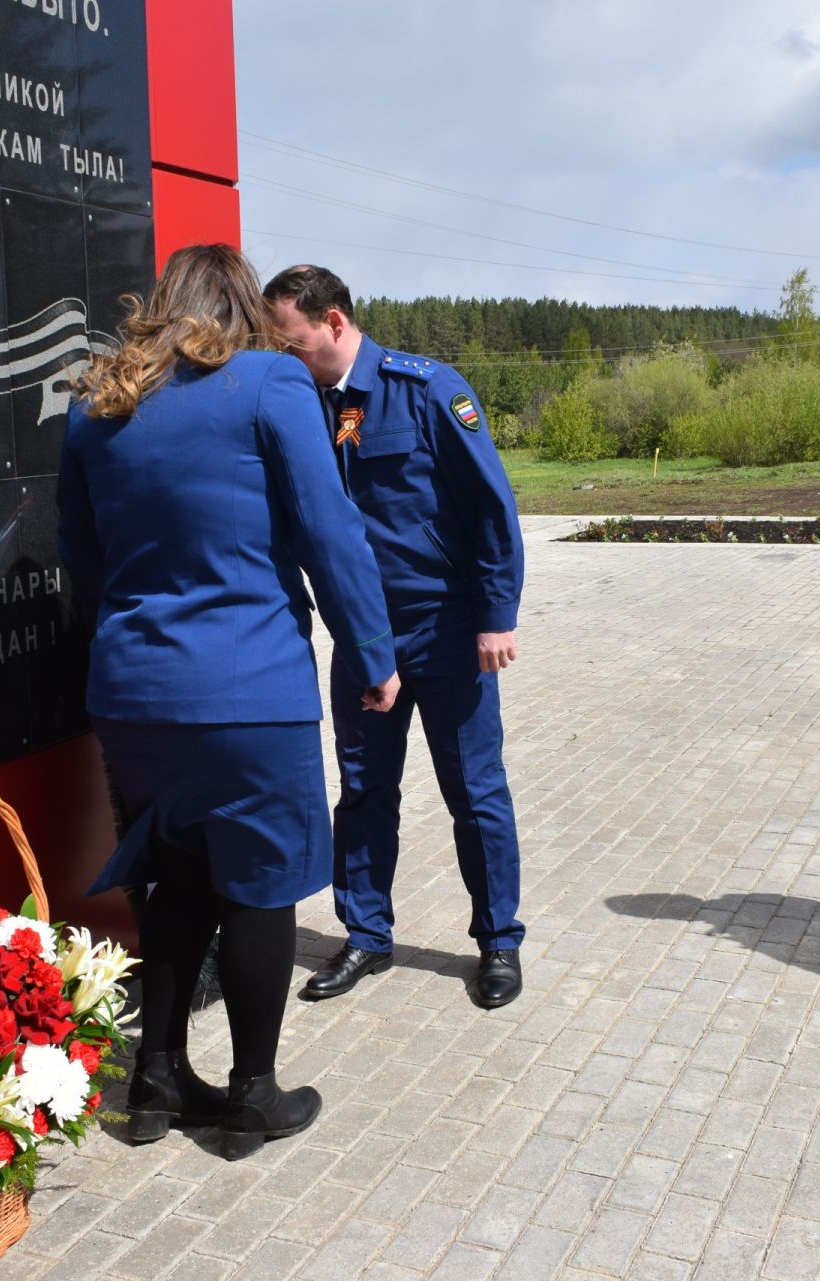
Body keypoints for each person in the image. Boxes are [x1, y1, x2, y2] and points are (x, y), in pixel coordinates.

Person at [57, 244, 400, 1159]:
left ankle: (158, 1079)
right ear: (244, 305)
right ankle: (253, 1095)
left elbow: (82, 562)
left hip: (132, 693)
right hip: (248, 690)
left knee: (172, 881)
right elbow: (330, 533)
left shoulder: (97, 402)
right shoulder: (268, 385)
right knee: (260, 887)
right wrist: (373, 653)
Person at [262, 265, 528, 1010]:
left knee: (474, 792)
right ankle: (367, 934)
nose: (289, 354)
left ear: (336, 322)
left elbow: (489, 506)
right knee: (364, 789)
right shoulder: (313, 405)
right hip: (365, 635)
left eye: (296, 339)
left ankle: (498, 938)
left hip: (447, 632)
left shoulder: (427, 388)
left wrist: (496, 613)